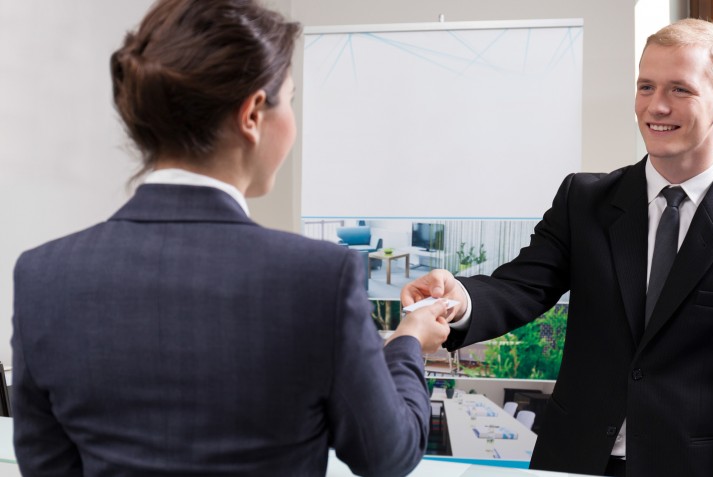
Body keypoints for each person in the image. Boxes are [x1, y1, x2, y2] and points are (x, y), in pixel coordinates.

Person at [11, 1, 451, 476]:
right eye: (292, 100)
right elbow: (388, 456)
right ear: (253, 115)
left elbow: (46, 466)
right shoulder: (318, 278)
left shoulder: (42, 276)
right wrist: (407, 341)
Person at [402, 18, 713, 477]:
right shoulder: (583, 201)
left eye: (680, 89)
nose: (656, 106)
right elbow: (521, 286)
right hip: (572, 460)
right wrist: (458, 299)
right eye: (646, 86)